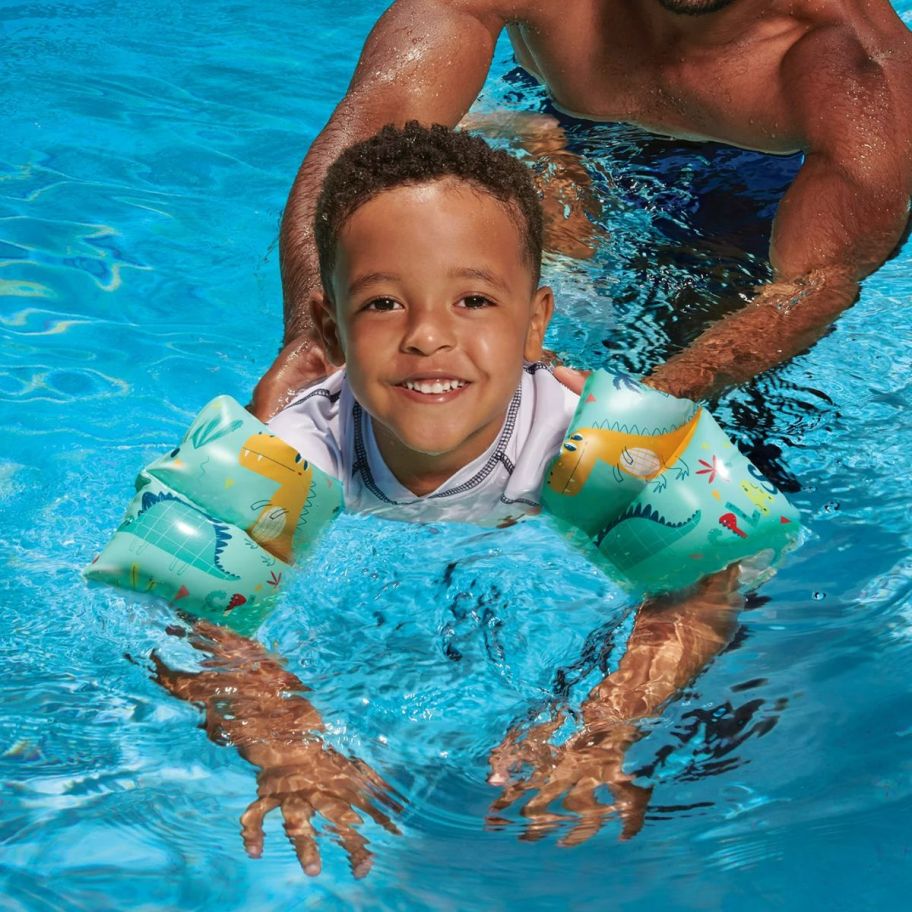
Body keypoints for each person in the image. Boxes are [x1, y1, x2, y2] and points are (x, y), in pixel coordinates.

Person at [153, 124, 756, 877]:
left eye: (469, 300)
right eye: (381, 305)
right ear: (328, 329)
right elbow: (186, 609)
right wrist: (285, 742)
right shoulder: (294, 445)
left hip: (575, 361)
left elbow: (708, 580)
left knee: (586, 267)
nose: (428, 337)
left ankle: (549, 152)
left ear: (535, 326)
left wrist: (604, 726)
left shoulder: (587, 432)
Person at [251, 0, 912, 418]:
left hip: (748, 177)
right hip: (561, 120)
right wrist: (314, 335)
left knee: (710, 412)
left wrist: (637, 412)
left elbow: (810, 285)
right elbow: (365, 144)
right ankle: (523, 138)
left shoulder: (856, 74)